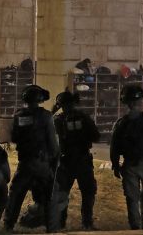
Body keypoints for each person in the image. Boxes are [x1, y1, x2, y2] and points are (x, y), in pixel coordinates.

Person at [3, 84, 59, 233]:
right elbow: (52, 141)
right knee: (48, 196)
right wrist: (53, 158)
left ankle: (8, 225)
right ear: (40, 99)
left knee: (16, 194)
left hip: (26, 162)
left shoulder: (19, 115)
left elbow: (14, 137)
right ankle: (51, 227)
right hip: (42, 162)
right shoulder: (46, 116)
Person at [110, 85, 143, 230]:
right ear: (141, 101)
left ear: (126, 102)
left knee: (132, 199)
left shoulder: (121, 123)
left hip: (130, 165)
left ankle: (135, 228)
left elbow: (114, 147)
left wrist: (115, 165)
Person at [49, 91, 100, 231]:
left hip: (66, 162)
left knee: (62, 193)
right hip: (83, 160)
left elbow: (50, 138)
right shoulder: (83, 117)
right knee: (88, 192)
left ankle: (60, 223)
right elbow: (96, 136)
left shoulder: (57, 120)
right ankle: (87, 223)